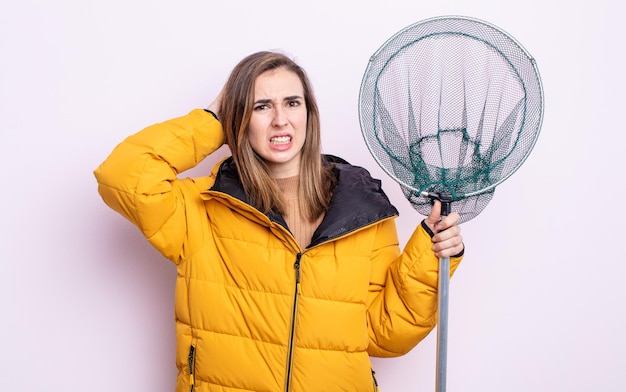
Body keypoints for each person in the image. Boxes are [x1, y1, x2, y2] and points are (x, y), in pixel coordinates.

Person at [94, 50, 464, 392]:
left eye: (292, 103)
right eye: (260, 106)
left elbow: (386, 334)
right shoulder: (202, 207)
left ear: (308, 113)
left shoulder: (363, 211)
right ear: (238, 118)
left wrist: (431, 257)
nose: (280, 120)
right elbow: (122, 175)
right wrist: (211, 120)